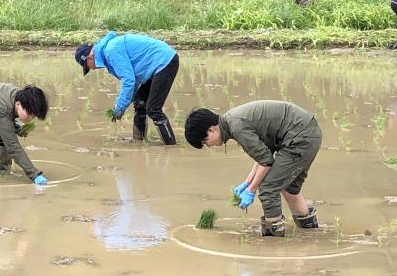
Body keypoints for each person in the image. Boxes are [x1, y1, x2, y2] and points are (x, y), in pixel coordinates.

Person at [184, 100, 321, 237]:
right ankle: (310, 234)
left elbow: (266, 162)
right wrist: (248, 182)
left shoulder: (237, 127)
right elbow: (263, 156)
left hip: (301, 137)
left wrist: (251, 190)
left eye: (204, 141)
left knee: (268, 190)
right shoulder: (232, 121)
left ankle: (274, 242)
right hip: (306, 131)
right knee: (288, 188)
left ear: (211, 129)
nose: (208, 145)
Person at [75, 31, 179, 145]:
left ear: (89, 57)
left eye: (87, 67)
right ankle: (138, 142)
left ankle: (171, 146)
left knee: (153, 109)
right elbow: (132, 81)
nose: (92, 69)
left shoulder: (111, 51)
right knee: (139, 103)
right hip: (154, 67)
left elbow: (128, 81)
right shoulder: (107, 53)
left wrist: (119, 107)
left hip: (165, 62)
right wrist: (121, 107)